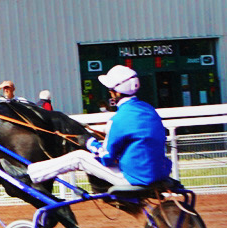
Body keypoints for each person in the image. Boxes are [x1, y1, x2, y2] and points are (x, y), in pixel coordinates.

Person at [27, 65, 172, 191]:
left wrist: (89, 143)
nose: (109, 92)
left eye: (110, 90)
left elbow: (107, 157)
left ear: (117, 92)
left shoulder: (119, 119)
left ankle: (29, 175)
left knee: (78, 157)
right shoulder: (149, 109)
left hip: (134, 178)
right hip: (161, 171)